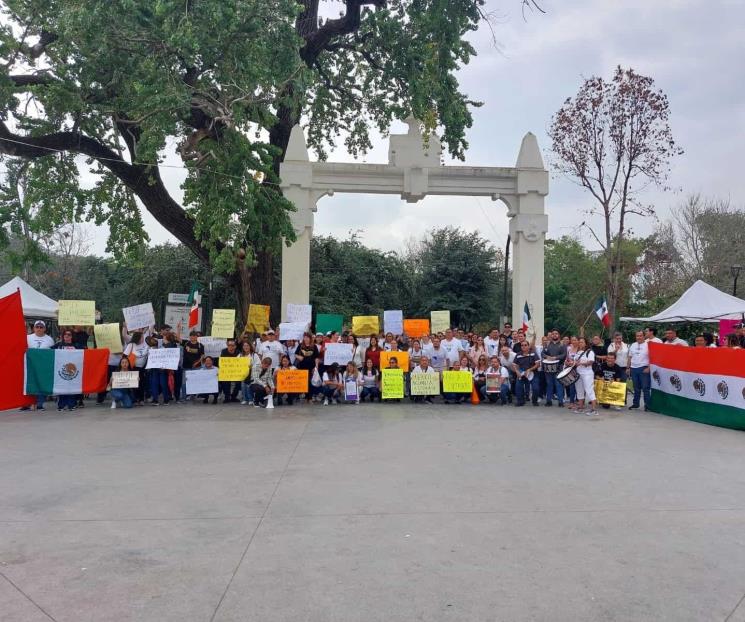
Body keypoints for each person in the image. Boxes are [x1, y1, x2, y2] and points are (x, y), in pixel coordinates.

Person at [23, 320, 55, 411]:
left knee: (42, 384)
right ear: (34, 328)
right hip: (30, 366)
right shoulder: (27, 337)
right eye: (37, 327)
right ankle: (27, 404)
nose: (39, 329)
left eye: (41, 327)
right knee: (29, 384)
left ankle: (40, 404)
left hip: (43, 367)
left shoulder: (49, 339)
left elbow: (52, 353)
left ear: (44, 329)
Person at [53, 329, 82, 411]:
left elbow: (85, 353)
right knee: (61, 387)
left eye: (69, 334)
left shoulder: (76, 345)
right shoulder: (58, 345)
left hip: (74, 370)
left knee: (72, 387)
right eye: (65, 334)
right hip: (61, 371)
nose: (67, 336)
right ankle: (61, 405)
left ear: (72, 336)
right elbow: (49, 351)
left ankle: (71, 404)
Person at [570, 337, 598, 416]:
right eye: (579, 342)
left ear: (586, 343)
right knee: (579, 390)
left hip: (587, 373)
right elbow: (575, 362)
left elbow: (591, 362)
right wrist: (570, 362)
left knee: (589, 390)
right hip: (578, 373)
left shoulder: (590, 352)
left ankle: (594, 409)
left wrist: (581, 363)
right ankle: (581, 407)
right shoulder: (578, 352)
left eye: (582, 342)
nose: (580, 343)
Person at [541, 329, 566, 407]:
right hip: (548, 368)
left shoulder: (562, 344)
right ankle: (549, 401)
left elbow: (564, 355)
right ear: (551, 335)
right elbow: (542, 353)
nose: (554, 335)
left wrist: (555, 358)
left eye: (556, 333)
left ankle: (560, 401)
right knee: (549, 384)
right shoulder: (547, 344)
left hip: (558, 368)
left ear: (558, 335)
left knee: (558, 385)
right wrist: (547, 357)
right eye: (553, 334)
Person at [122, 331, 149, 405]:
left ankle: (141, 399)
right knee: (135, 384)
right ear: (137, 338)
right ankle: (136, 399)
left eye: (143, 337)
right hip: (134, 367)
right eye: (141, 337)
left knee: (142, 383)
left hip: (143, 367)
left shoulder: (146, 344)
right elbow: (124, 355)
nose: (143, 339)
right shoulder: (131, 345)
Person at [628, 330, 651, 411]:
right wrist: (628, 368)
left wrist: (649, 368)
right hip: (634, 368)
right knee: (636, 388)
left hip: (643, 368)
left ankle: (647, 405)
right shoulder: (633, 345)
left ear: (644, 336)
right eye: (637, 336)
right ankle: (635, 404)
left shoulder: (648, 345)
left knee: (645, 388)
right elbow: (630, 357)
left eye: (640, 335)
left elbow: (652, 357)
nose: (639, 337)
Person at [512, 340, 540, 406]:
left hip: (533, 372)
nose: (523, 346)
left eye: (525, 345)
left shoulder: (533, 353)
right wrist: (517, 371)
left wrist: (530, 369)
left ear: (528, 346)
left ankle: (534, 400)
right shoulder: (518, 354)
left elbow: (538, 364)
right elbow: (514, 365)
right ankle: (520, 401)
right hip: (522, 372)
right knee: (518, 386)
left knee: (535, 388)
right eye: (522, 345)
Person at [218, 338, 241, 403]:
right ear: (227, 346)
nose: (231, 346)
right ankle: (227, 397)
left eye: (232, 345)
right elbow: (222, 362)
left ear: (235, 346)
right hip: (226, 371)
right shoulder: (224, 351)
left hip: (236, 371)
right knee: (225, 383)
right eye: (229, 345)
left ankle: (234, 397)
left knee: (238, 383)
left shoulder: (238, 352)